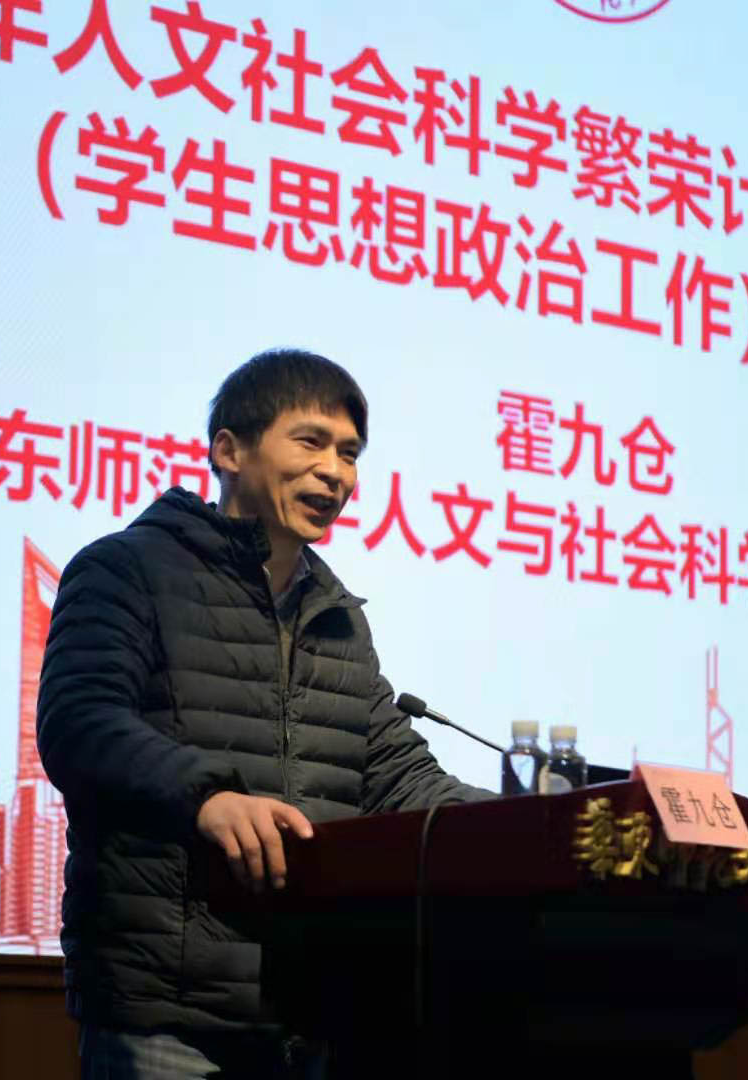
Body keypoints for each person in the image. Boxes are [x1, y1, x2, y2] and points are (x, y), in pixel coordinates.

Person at [36, 348, 491, 1078]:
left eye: (350, 454)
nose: (335, 472)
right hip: (166, 1013)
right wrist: (206, 798)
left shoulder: (338, 618)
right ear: (229, 451)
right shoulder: (127, 569)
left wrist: (537, 824)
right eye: (311, 442)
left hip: (305, 1012)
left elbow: (399, 777)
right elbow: (80, 721)